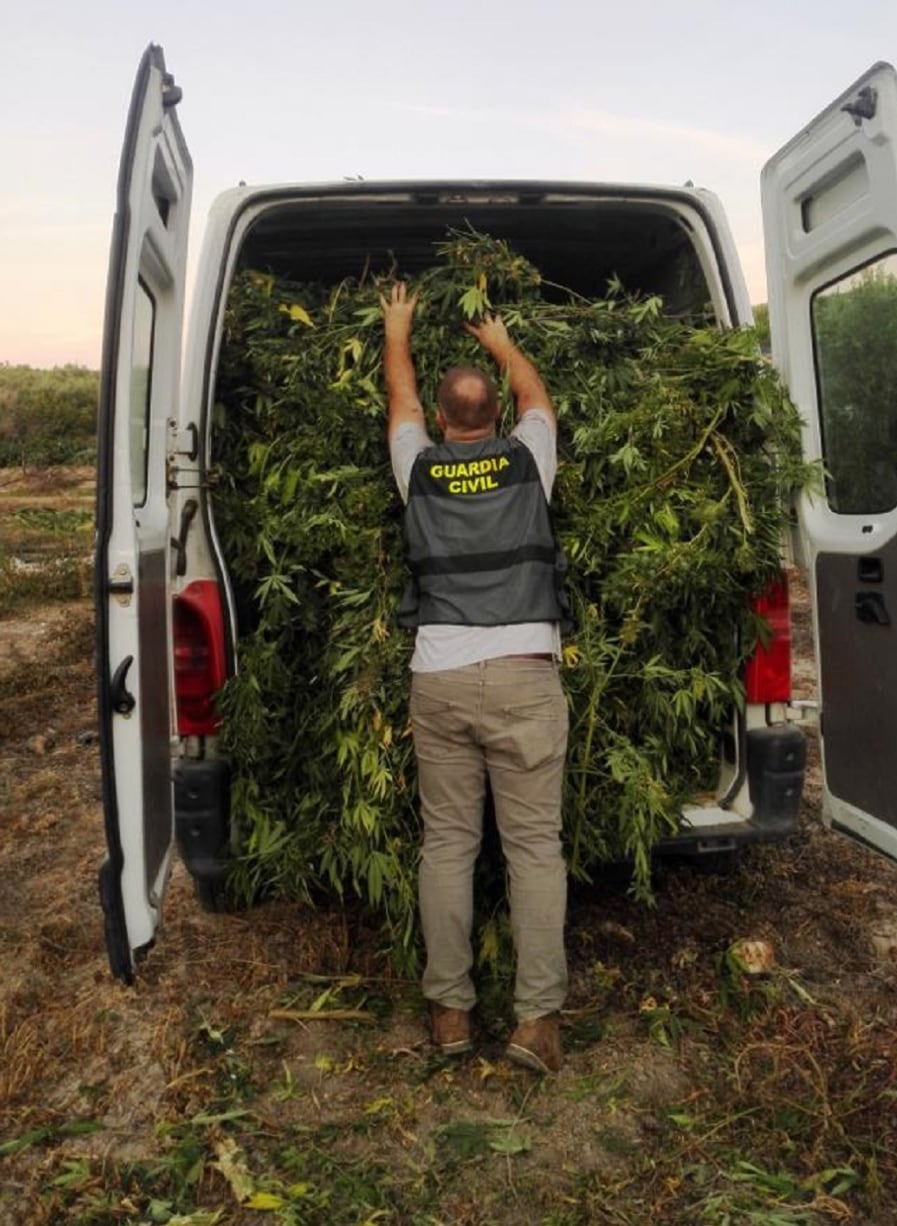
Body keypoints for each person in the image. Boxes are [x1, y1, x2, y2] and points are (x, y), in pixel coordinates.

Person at [381, 281, 570, 1074]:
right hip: (525, 679)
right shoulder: (529, 462)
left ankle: (451, 1016)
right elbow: (541, 396)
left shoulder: (418, 470)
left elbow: (400, 400)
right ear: (494, 416)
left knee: (449, 845)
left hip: (442, 680)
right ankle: (536, 1026)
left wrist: (399, 329)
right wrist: (500, 342)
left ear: (445, 422)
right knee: (532, 850)